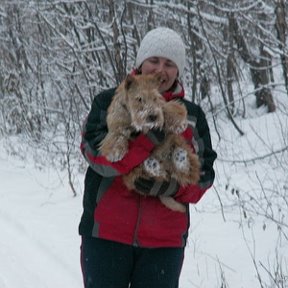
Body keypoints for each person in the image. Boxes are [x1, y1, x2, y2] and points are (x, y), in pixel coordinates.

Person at [79, 27, 217, 288]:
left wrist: (176, 187)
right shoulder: (109, 102)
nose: (160, 70)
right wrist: (149, 140)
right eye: (154, 60)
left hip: (164, 243)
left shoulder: (192, 115)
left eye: (169, 64)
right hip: (106, 236)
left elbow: (205, 174)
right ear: (141, 62)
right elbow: (96, 157)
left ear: (178, 71)